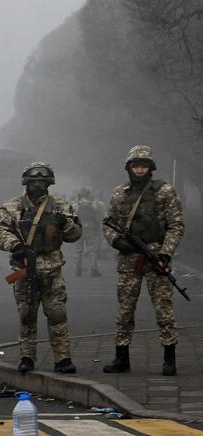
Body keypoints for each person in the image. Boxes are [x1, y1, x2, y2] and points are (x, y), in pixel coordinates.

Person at [0, 162, 82, 374]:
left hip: (52, 269)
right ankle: (27, 357)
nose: (38, 186)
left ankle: (63, 358)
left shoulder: (61, 207)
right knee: (27, 315)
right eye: (34, 182)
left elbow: (75, 235)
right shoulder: (12, 207)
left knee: (57, 314)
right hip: (24, 269)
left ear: (49, 183)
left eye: (42, 182)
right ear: (26, 183)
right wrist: (15, 245)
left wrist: (65, 224)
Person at [102, 145, 184, 376]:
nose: (139, 170)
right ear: (129, 167)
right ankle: (121, 357)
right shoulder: (120, 193)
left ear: (151, 168)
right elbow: (108, 224)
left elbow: (176, 225)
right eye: (135, 165)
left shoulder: (165, 192)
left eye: (143, 165)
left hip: (156, 256)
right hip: (128, 260)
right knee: (125, 310)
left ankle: (169, 357)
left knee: (163, 309)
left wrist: (166, 253)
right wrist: (117, 242)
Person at [73, 187, 102, 277]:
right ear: (88, 194)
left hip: (78, 228)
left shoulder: (75, 205)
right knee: (92, 249)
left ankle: (78, 269)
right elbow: (97, 218)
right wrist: (96, 228)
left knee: (78, 250)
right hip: (90, 227)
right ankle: (94, 268)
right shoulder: (93, 205)